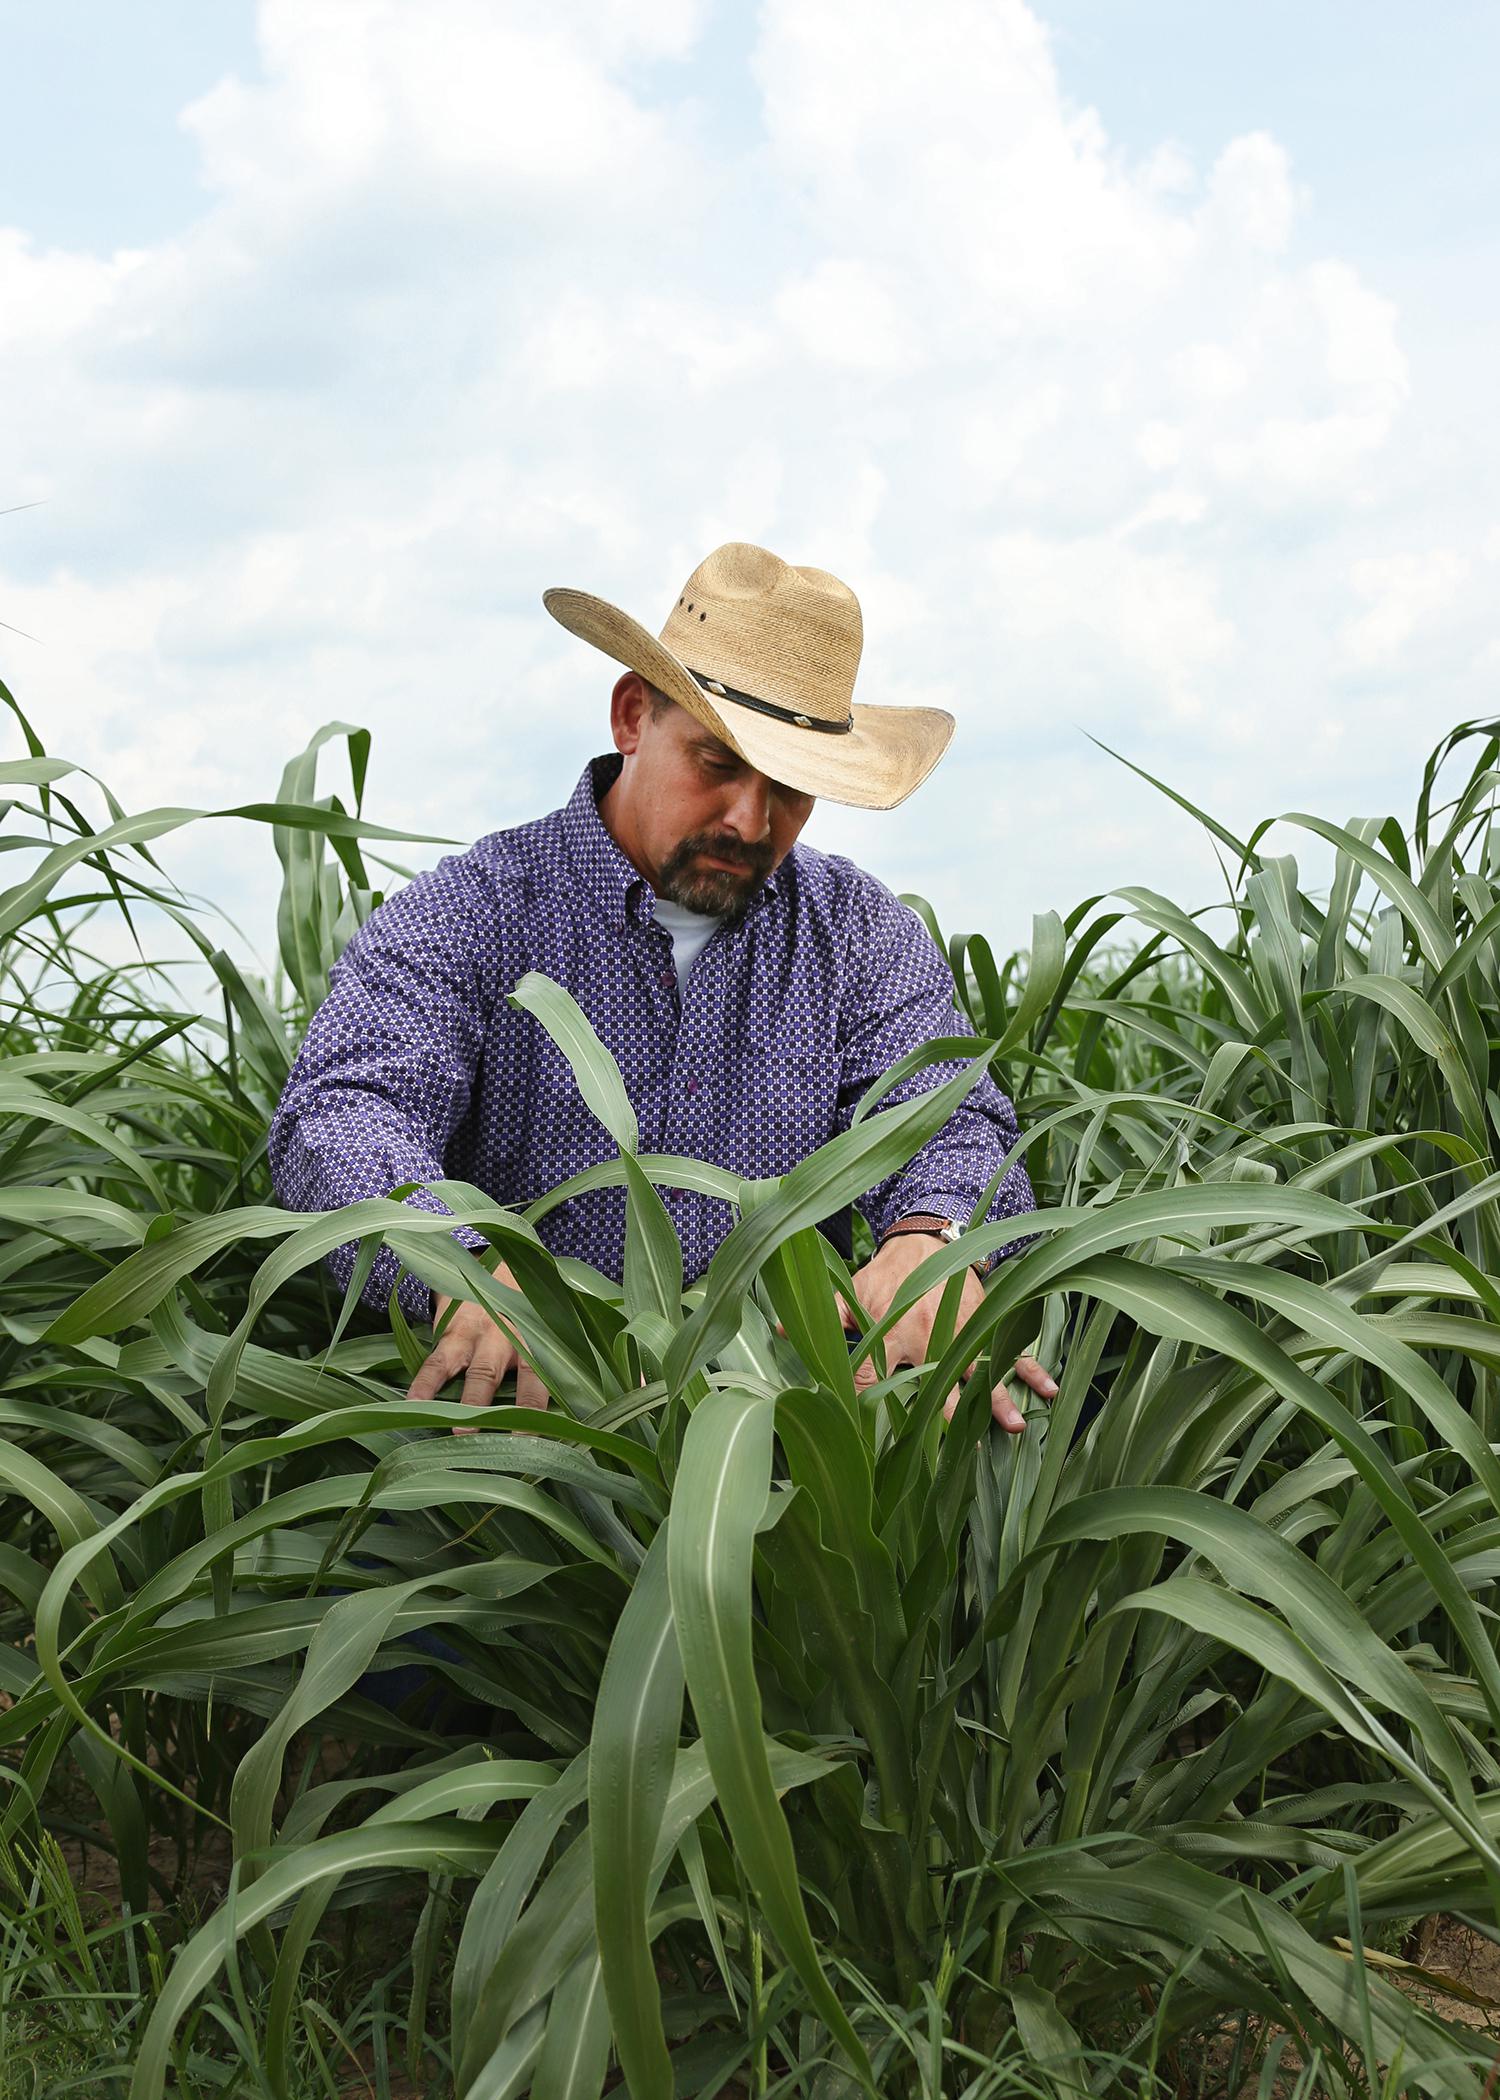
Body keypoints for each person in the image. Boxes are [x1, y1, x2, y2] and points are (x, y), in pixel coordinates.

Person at [269, 541, 1055, 1430]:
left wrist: (931, 1241)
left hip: (782, 1458)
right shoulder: (477, 908)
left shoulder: (860, 933)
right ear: (633, 715)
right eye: (717, 765)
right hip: (518, 1452)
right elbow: (344, 1111)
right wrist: (459, 1271)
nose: (751, 821)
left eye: (793, 790)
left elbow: (949, 1113)